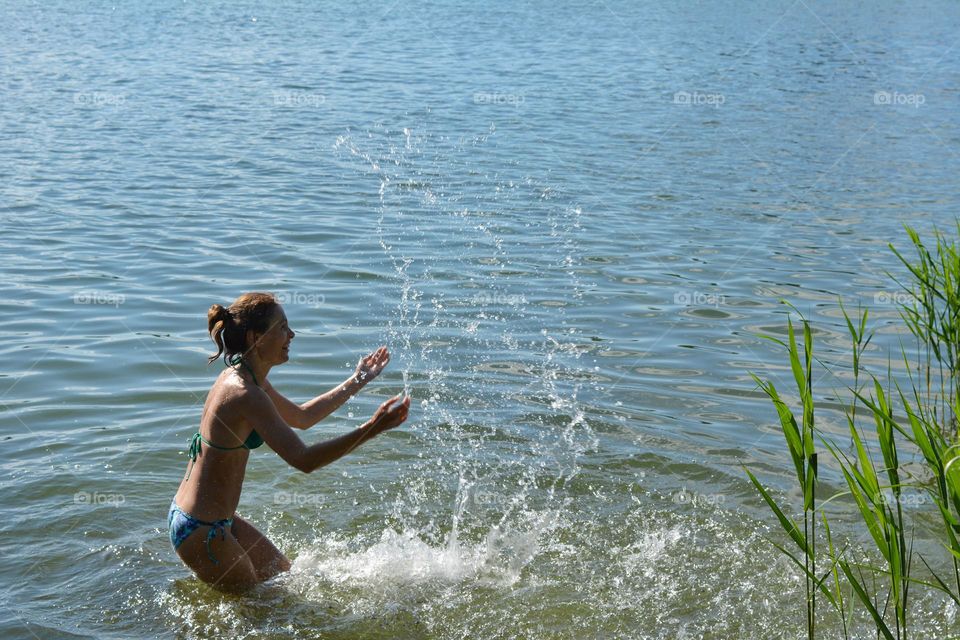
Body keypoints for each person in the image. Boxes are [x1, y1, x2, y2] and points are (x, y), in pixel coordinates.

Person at [168, 292, 411, 592]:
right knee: (259, 609)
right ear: (256, 337)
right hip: (201, 531)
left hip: (212, 521)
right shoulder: (244, 393)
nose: (292, 335)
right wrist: (372, 428)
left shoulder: (248, 378)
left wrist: (358, 379)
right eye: (282, 327)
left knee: (282, 575)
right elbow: (304, 460)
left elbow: (302, 417)